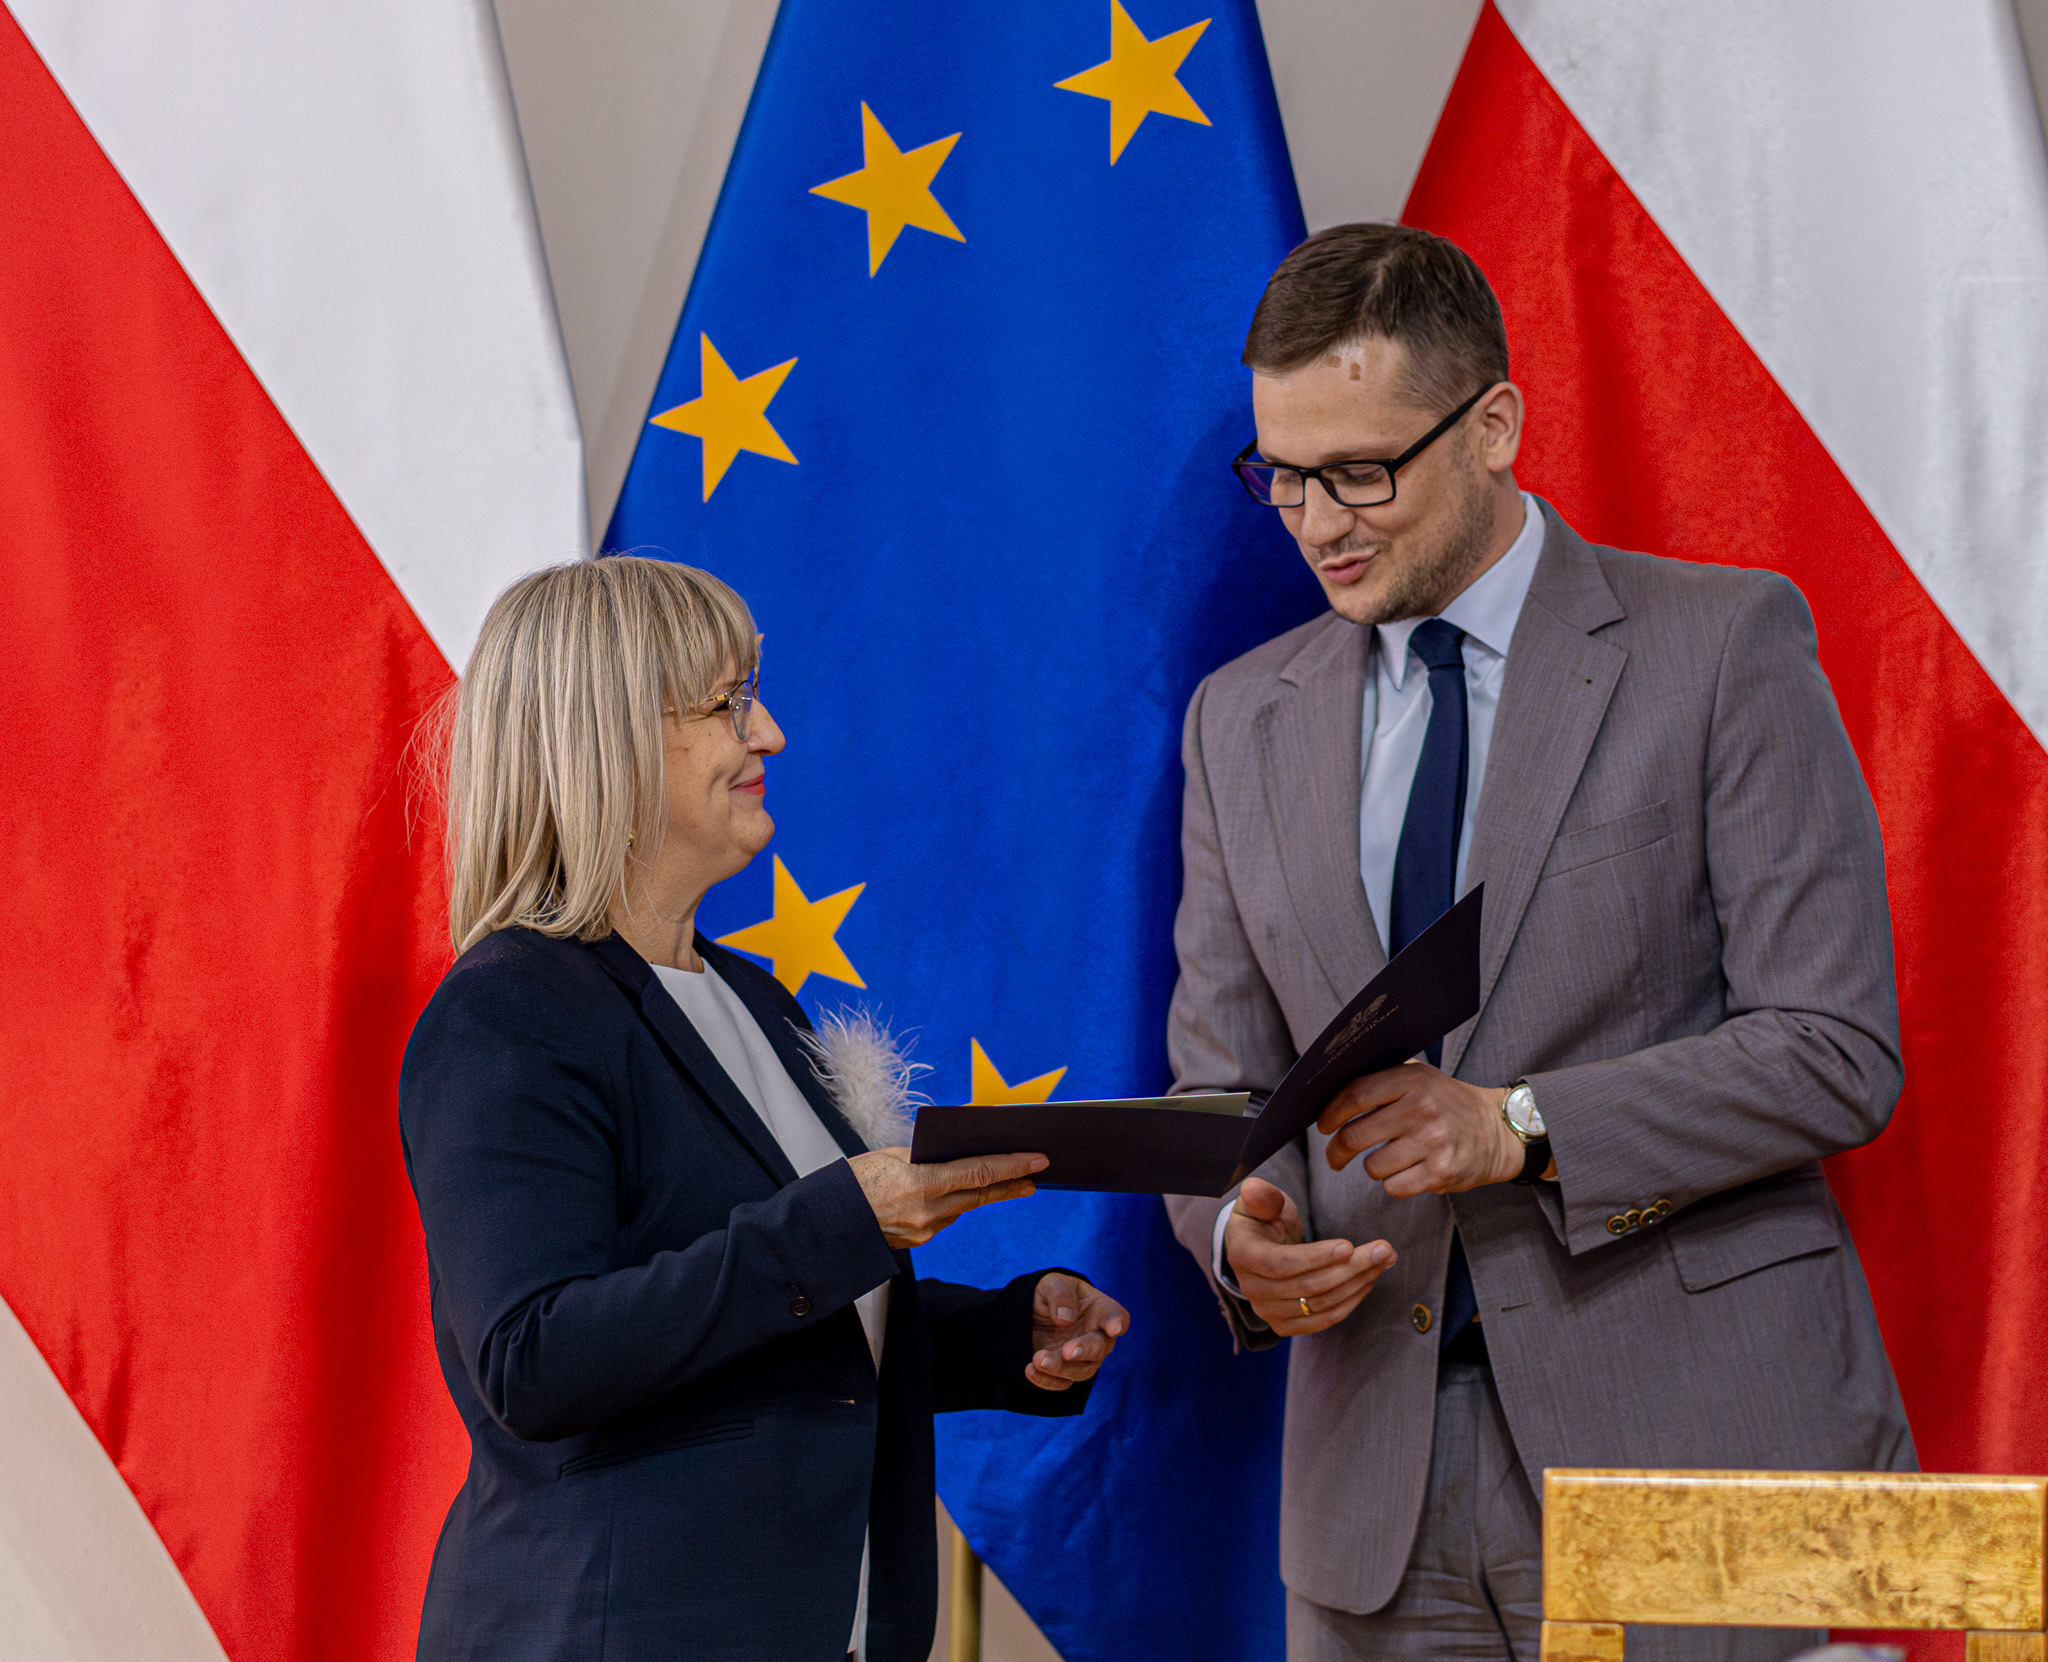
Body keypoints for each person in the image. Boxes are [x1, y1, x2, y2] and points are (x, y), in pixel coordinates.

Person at [1164, 224, 1912, 1661]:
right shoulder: (1234, 718)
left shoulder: (1723, 645)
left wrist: (1517, 1125)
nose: (1316, 522)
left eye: (1360, 471)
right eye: (1283, 476)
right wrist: (1237, 1240)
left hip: (1702, 1458)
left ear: (1494, 425)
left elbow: (1835, 1051)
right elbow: (1219, 1087)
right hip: (1372, 1511)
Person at [399, 557, 1128, 1662]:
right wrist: (842, 1220)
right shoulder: (509, 1011)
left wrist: (1000, 1336)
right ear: (609, 737)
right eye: (728, 703)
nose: (772, 734)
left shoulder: (751, 997)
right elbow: (532, 1359)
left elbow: (782, 1317)